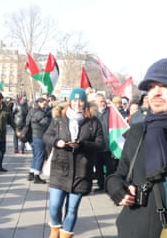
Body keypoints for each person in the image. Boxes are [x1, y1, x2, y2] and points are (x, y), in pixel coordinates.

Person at [105, 57, 167, 237]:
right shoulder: (137, 131)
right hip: (132, 230)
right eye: (150, 86)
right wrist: (117, 189)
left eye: (165, 85)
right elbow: (117, 175)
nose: (155, 93)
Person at [43, 88, 104, 238]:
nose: (78, 104)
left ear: (85, 102)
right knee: (54, 206)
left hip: (82, 170)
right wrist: (57, 142)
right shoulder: (59, 119)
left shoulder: (93, 121)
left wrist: (82, 145)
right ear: (70, 101)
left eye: (81, 100)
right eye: (75, 100)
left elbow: (101, 143)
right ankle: (55, 230)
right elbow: (47, 136)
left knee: (72, 209)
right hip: (60, 168)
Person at [92, 93, 119, 192]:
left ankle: (109, 186)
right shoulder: (93, 114)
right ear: (96, 103)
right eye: (100, 101)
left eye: (103, 101)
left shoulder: (111, 112)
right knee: (98, 167)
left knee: (110, 168)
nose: (103, 103)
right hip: (97, 146)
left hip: (109, 145)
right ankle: (101, 185)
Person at [24, 97, 51, 184]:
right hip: (39, 136)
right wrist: (51, 117)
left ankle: (31, 173)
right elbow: (46, 122)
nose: (45, 105)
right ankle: (37, 176)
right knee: (40, 155)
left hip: (32, 136)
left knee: (36, 155)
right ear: (39, 103)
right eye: (44, 103)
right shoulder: (39, 112)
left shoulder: (32, 110)